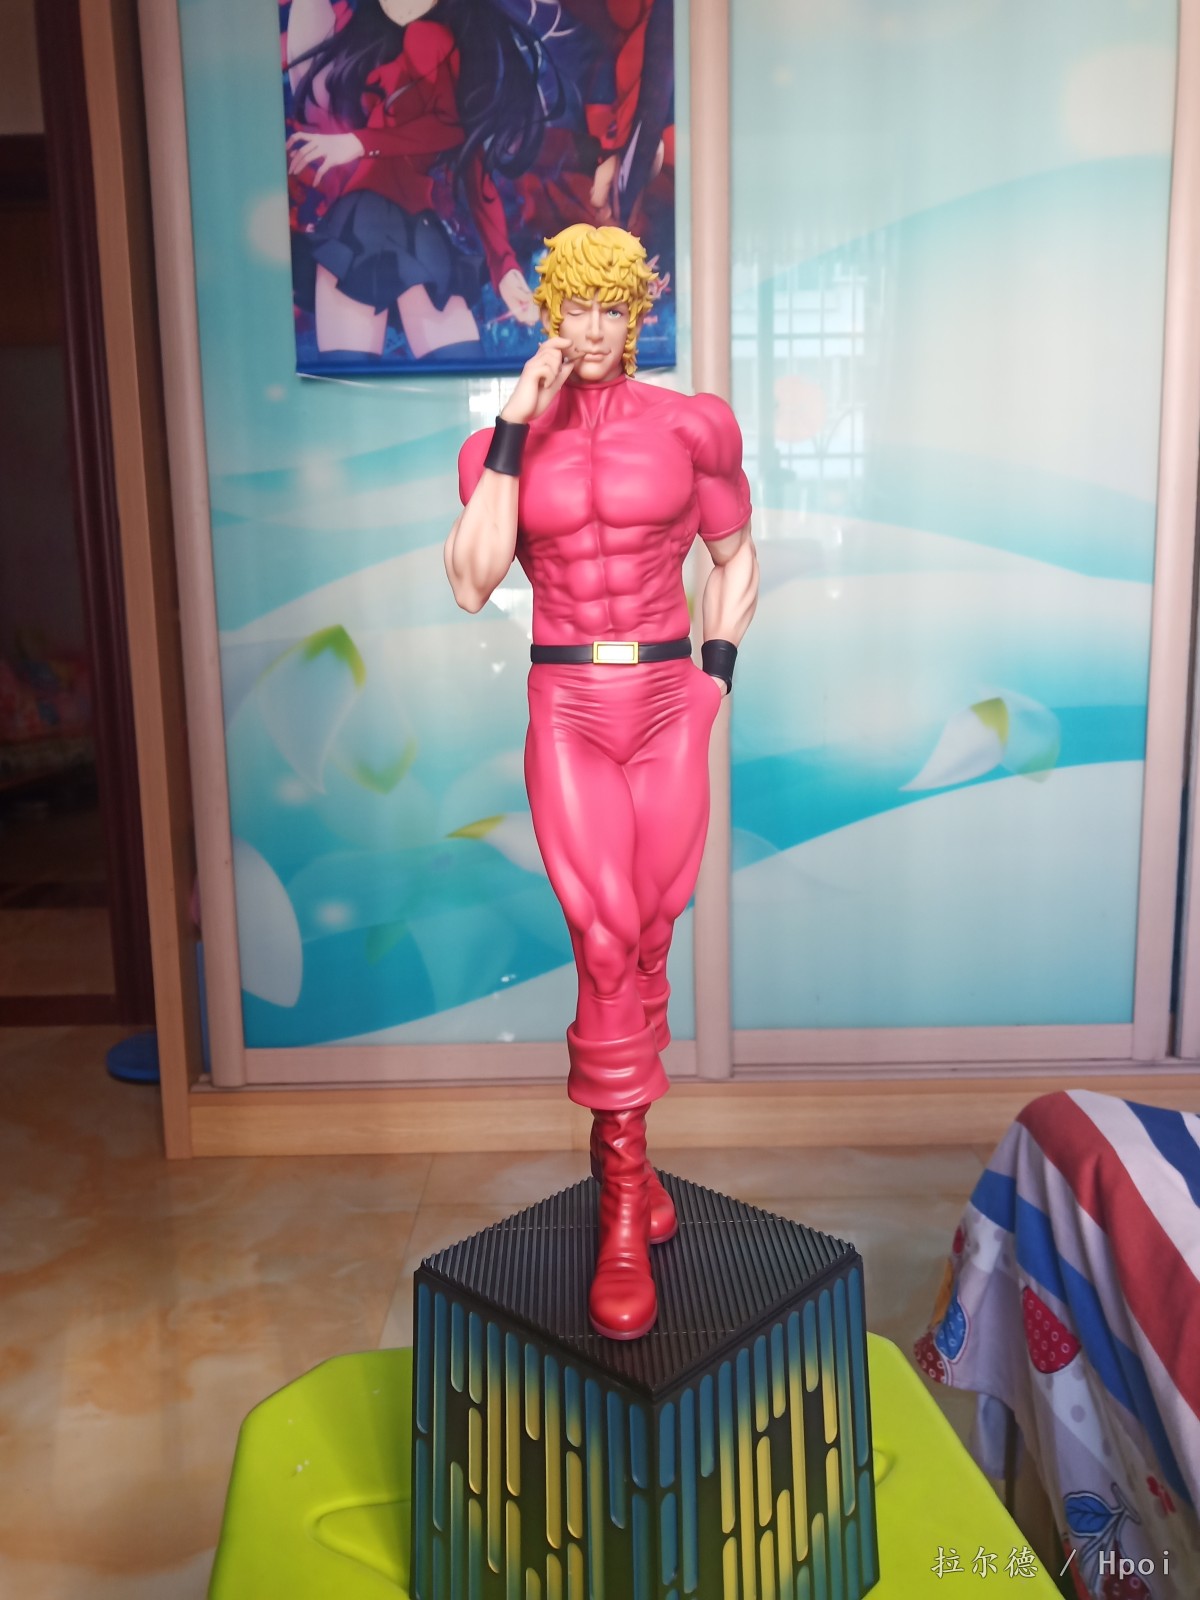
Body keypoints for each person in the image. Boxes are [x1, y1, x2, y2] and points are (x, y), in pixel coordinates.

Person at [446, 224, 758, 1339]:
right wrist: (515, 428)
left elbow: (734, 554)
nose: (587, 328)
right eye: (570, 306)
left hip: (671, 698)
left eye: (607, 308)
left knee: (653, 932)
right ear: (548, 312)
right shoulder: (497, 444)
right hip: (568, 702)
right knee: (604, 933)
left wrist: (715, 679)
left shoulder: (693, 425)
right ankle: (623, 1200)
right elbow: (473, 581)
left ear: (635, 315)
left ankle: (632, 1152)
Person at [284, 0, 552, 360]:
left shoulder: (431, 37)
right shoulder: (388, 42)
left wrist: (503, 265)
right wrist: (502, 264)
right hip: (375, 224)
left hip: (395, 228)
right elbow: (460, 145)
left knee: (448, 369)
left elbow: (457, 141)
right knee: (353, 378)